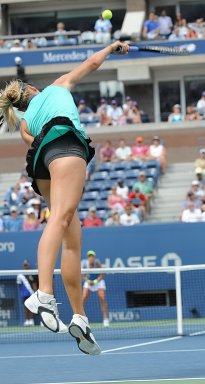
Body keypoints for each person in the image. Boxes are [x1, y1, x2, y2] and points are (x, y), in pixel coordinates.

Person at [0, 39, 130, 355]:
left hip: (43, 165)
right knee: (60, 221)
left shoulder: (25, 123)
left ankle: (80, 318)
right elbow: (92, 64)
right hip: (67, 148)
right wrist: (112, 48)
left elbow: (34, 144)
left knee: (72, 236)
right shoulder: (56, 87)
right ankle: (43, 294)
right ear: (31, 88)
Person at [82, 250, 109, 327]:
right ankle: (83, 319)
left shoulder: (97, 263)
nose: (91, 257)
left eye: (92, 256)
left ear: (94, 257)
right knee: (83, 299)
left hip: (98, 282)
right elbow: (83, 275)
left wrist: (96, 281)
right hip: (89, 282)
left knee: (102, 298)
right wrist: (88, 281)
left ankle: (105, 319)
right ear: (88, 257)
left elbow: (102, 274)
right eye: (89, 256)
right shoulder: (85, 264)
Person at [17, 260, 39, 326]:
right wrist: (23, 292)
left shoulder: (32, 274)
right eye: (25, 265)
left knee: (32, 307)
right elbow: (19, 285)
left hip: (31, 294)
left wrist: (35, 293)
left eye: (27, 265)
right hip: (24, 294)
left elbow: (34, 284)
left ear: (29, 265)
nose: (26, 266)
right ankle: (27, 320)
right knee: (26, 307)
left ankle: (31, 320)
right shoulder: (20, 275)